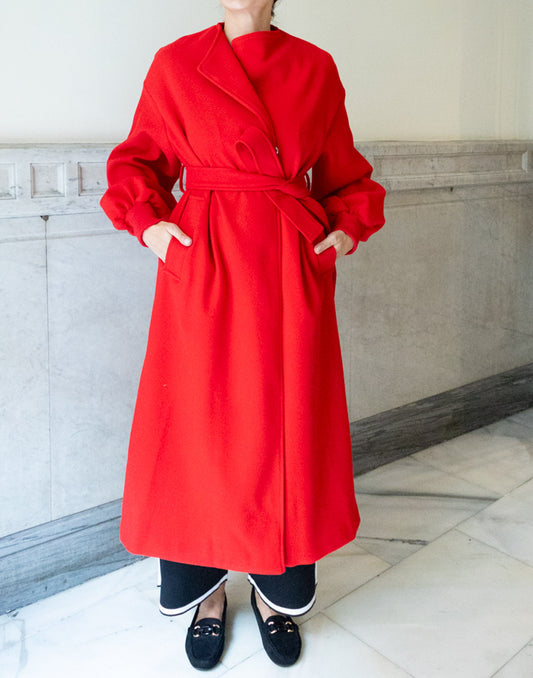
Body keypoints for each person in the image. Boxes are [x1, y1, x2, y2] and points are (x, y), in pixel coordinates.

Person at [100, 0, 386, 670]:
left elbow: (345, 173)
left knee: (286, 428)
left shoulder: (314, 68)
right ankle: (205, 594)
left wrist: (340, 232)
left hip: (288, 270)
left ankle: (274, 596)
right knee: (200, 426)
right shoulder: (176, 64)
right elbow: (136, 162)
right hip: (204, 264)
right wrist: (152, 228)